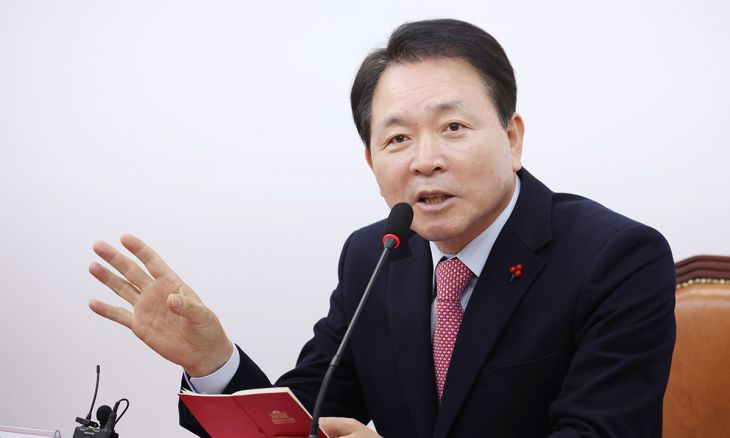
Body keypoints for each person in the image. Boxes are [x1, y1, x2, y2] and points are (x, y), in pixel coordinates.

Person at [88, 19, 676, 438]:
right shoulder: (374, 255)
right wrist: (213, 362)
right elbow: (306, 417)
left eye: (453, 127)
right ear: (371, 162)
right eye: (397, 138)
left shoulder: (616, 258)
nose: (426, 160)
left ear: (512, 138)